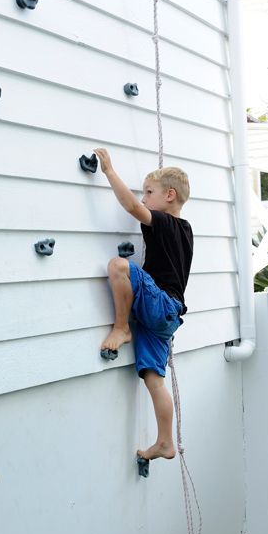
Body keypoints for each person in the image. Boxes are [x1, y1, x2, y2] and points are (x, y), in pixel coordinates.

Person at [93, 149, 193, 463]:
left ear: (170, 195)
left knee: (118, 266)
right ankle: (165, 442)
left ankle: (121, 327)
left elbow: (133, 208)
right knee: (154, 378)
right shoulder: (186, 230)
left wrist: (109, 171)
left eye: (149, 192)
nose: (144, 198)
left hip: (161, 303)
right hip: (168, 317)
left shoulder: (164, 222)